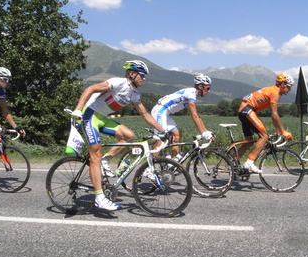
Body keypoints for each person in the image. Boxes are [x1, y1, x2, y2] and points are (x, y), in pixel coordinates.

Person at [70, 60, 167, 212]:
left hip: (102, 118)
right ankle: (99, 198)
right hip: (90, 116)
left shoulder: (134, 94)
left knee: (129, 136)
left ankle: (106, 159)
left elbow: (145, 114)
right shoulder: (118, 83)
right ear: (132, 74)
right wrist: (78, 109)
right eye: (142, 75)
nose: (144, 78)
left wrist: (163, 131)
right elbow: (90, 89)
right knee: (95, 154)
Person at [236, 73, 294, 173]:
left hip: (243, 110)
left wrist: (278, 131)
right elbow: (274, 115)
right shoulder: (274, 93)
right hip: (247, 109)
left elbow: (273, 116)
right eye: (289, 87)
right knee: (264, 136)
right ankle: (249, 162)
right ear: (283, 85)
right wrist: (283, 131)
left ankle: (232, 162)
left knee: (249, 141)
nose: (289, 90)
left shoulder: (272, 90)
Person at [151, 74, 215, 159]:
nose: (209, 91)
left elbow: (197, 116)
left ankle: (173, 163)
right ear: (200, 86)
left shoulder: (193, 94)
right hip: (160, 111)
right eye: (208, 88)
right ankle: (147, 168)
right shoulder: (191, 92)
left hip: (165, 113)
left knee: (177, 136)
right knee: (162, 139)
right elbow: (194, 115)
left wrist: (205, 131)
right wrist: (203, 133)